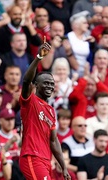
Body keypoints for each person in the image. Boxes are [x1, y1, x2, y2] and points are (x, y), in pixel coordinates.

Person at [19, 42, 70, 179]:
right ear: (36, 85)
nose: (50, 86)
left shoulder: (51, 111)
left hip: (46, 160)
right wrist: (38, 58)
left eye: (52, 84)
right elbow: (26, 81)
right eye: (46, 83)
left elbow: (53, 141)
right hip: (32, 156)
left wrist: (63, 166)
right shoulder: (30, 101)